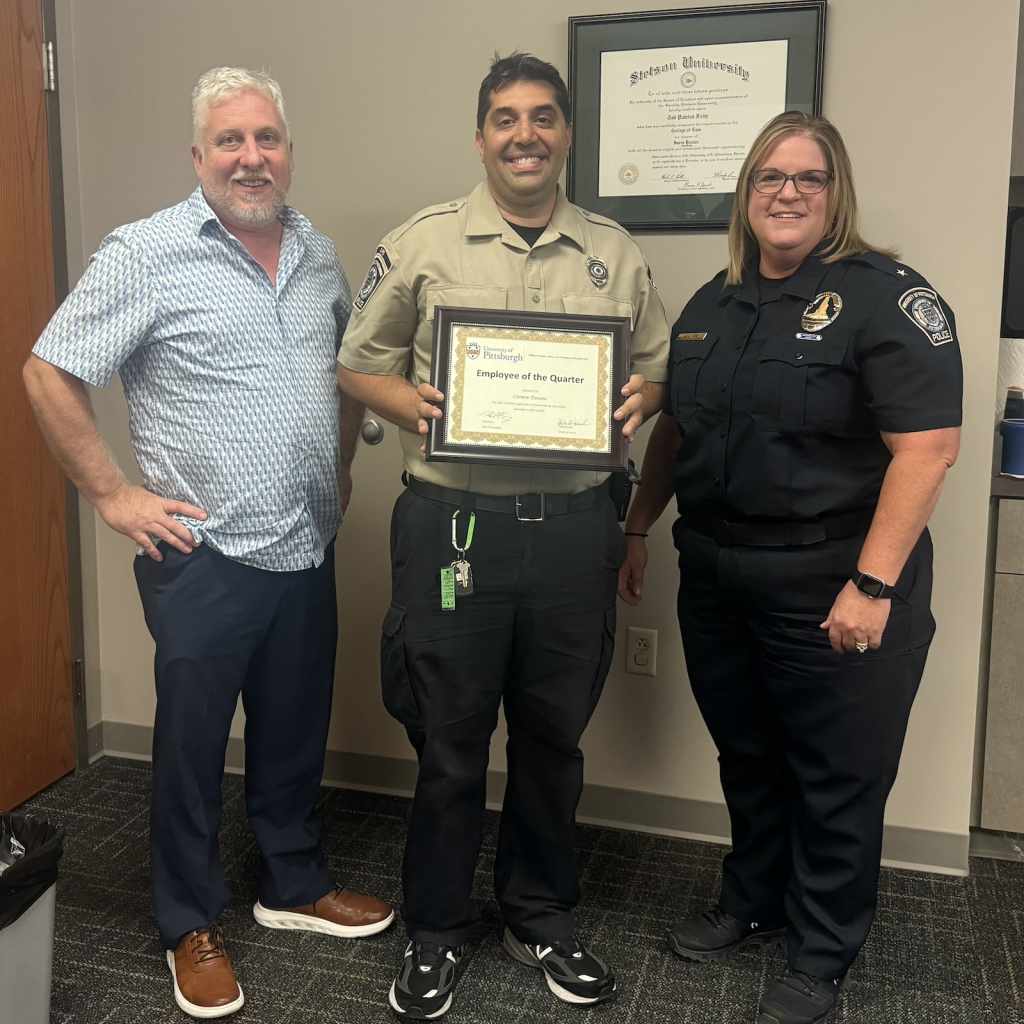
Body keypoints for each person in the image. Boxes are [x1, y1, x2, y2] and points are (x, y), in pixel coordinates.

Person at [23, 67, 393, 1019]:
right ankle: (188, 920)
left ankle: (293, 883)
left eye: (266, 138)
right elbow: (48, 370)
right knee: (189, 746)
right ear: (198, 156)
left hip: (305, 543)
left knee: (293, 726)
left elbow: (344, 375)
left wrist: (343, 471)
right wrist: (110, 493)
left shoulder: (317, 254)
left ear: (288, 151)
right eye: (229, 141)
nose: (251, 157)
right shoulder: (147, 253)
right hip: (202, 554)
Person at [338, 53, 669, 1020]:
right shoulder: (425, 245)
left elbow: (654, 375)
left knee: (553, 739)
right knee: (450, 739)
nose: (525, 135)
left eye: (544, 118)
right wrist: (421, 404)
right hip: (454, 534)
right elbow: (359, 364)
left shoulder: (616, 251)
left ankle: (540, 914)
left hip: (572, 534)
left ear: (568, 134)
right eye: (504, 119)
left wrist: (637, 400)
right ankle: (436, 928)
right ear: (480, 136)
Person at [619, 111, 962, 1024]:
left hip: (836, 583)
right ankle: (755, 899)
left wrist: (875, 586)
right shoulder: (711, 303)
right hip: (722, 578)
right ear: (746, 194)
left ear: (836, 192)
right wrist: (638, 523)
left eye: (808, 179)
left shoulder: (887, 297)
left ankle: (821, 950)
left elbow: (926, 450)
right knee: (750, 757)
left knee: (837, 777)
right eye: (770, 177)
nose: (788, 193)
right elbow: (676, 429)